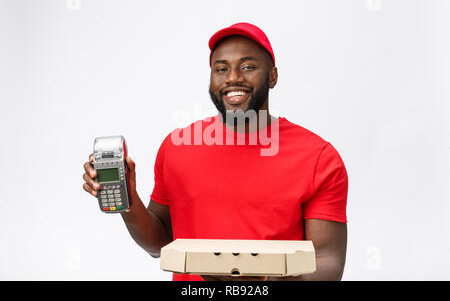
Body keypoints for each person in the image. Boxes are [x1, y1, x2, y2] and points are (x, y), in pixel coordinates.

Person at [82, 22, 348, 281]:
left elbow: (327, 259)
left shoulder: (318, 157)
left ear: (273, 76)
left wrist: (266, 283)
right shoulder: (176, 147)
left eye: (248, 66)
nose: (232, 77)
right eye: (221, 69)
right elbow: (159, 244)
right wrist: (128, 201)